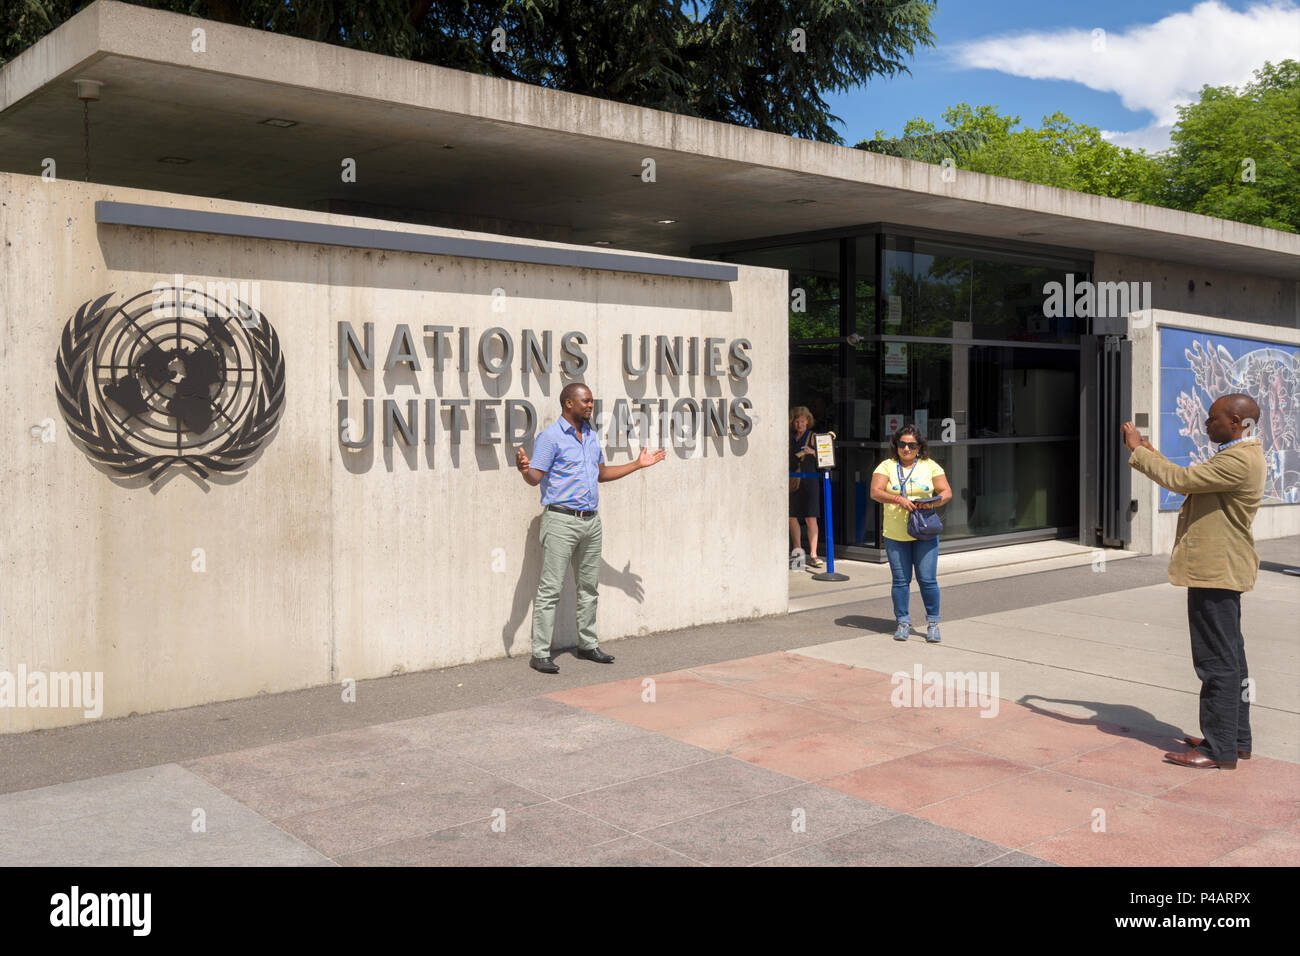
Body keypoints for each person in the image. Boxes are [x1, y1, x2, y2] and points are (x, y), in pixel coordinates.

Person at [1123, 394, 1265, 770]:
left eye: (1213, 418)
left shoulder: (1239, 458)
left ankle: (1219, 749)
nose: (1205, 423)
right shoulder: (1240, 453)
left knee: (1216, 662)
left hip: (1216, 570)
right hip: (1221, 568)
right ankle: (1235, 739)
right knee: (1230, 656)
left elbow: (1182, 480)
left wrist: (1140, 453)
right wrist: (1152, 453)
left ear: (1236, 422)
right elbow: (1192, 482)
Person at [515, 383, 666, 674]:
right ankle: (541, 653)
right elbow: (535, 477)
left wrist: (637, 464)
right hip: (560, 520)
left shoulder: (591, 437)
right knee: (550, 589)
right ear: (568, 403)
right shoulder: (550, 437)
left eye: (592, 402)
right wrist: (523, 468)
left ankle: (587, 644)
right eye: (585, 401)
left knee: (588, 587)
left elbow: (601, 473)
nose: (589, 406)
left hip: (591, 522)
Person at [870, 424, 952, 643]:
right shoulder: (886, 466)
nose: (906, 448)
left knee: (927, 580)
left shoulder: (929, 465)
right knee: (900, 581)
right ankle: (903, 622)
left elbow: (946, 492)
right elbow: (875, 492)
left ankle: (933, 623)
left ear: (919, 446)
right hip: (896, 533)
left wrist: (932, 502)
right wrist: (897, 499)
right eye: (902, 444)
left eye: (911, 445)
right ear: (896, 445)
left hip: (924, 531)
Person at [789, 407, 822, 568]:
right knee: (792, 515)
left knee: (810, 516)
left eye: (802, 421)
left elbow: (824, 458)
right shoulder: (791, 438)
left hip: (810, 480)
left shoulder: (813, 437)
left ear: (808, 421)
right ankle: (797, 550)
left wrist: (812, 452)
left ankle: (814, 554)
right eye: (797, 421)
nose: (799, 424)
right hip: (794, 480)